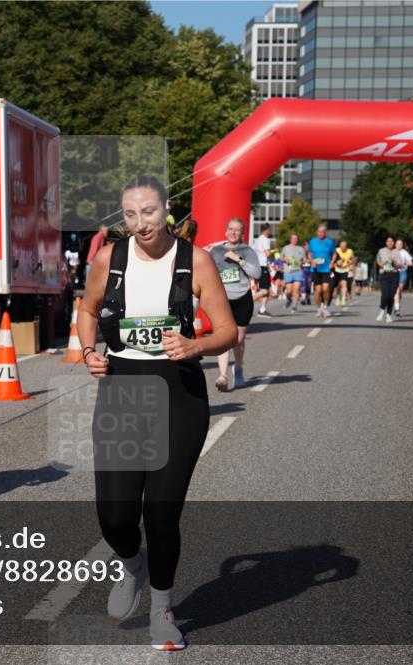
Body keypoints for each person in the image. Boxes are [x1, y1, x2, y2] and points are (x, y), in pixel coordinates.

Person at [77, 175, 235, 651]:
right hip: (123, 388)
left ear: (167, 209)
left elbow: (226, 330)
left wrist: (196, 344)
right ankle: (132, 564)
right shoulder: (110, 259)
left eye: (148, 212)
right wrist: (89, 353)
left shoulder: (196, 260)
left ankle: (163, 608)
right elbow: (87, 310)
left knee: (161, 513)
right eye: (130, 214)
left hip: (178, 392)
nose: (141, 223)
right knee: (115, 515)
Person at [208, 219, 262, 391]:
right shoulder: (216, 251)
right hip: (222, 299)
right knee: (224, 338)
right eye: (230, 229)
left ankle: (238, 368)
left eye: (237, 230)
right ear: (226, 231)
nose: (233, 233)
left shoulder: (247, 251)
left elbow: (257, 273)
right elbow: (207, 272)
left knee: (238, 340)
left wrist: (238, 259)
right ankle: (222, 375)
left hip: (242, 297)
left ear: (242, 233)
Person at [307, 224, 336, 318]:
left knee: (326, 288)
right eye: (319, 232)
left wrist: (332, 262)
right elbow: (309, 253)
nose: (320, 233)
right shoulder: (313, 241)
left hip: (326, 268)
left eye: (322, 232)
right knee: (318, 290)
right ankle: (319, 308)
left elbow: (334, 253)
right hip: (316, 269)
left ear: (325, 232)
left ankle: (325, 307)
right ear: (317, 232)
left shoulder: (330, 242)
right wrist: (312, 261)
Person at [375, 236, 403, 323]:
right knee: (385, 295)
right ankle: (382, 310)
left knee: (391, 296)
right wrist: (382, 263)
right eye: (388, 241)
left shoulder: (396, 252)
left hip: (394, 275)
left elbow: (400, 265)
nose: (390, 243)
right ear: (386, 242)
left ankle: (388, 315)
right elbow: (378, 262)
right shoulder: (381, 251)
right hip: (384, 274)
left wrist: (394, 260)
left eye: (392, 241)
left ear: (394, 243)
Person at [251, 224, 274, 318]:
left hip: (259, 266)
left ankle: (262, 310)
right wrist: (274, 251)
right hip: (263, 266)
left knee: (267, 290)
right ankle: (247, 301)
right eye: (270, 230)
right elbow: (268, 253)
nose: (270, 232)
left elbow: (252, 251)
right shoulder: (265, 239)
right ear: (267, 230)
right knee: (264, 291)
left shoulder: (257, 240)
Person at [280, 234, 306, 313]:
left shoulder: (301, 249)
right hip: (288, 272)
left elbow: (304, 260)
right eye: (293, 238)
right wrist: (285, 260)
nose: (294, 240)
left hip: (298, 271)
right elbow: (280, 258)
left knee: (296, 289)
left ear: (298, 240)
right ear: (290, 239)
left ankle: (294, 305)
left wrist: (301, 262)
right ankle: (289, 300)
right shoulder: (286, 248)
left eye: (296, 238)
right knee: (289, 291)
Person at [331, 240, 355, 307]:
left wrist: (351, 263)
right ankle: (339, 296)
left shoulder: (350, 251)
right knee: (338, 286)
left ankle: (343, 299)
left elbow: (353, 259)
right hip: (336, 270)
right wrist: (335, 263)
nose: (343, 248)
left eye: (344, 247)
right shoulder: (336, 250)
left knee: (344, 284)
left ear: (346, 247)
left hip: (345, 269)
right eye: (341, 246)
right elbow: (333, 258)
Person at [393, 239, 413, 316]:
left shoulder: (404, 252)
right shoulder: (392, 252)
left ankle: (397, 307)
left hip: (402, 273)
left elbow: (411, 263)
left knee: (399, 290)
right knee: (397, 291)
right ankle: (397, 309)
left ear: (402, 245)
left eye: (400, 244)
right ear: (395, 244)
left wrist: (404, 262)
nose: (399, 245)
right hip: (394, 273)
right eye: (397, 244)